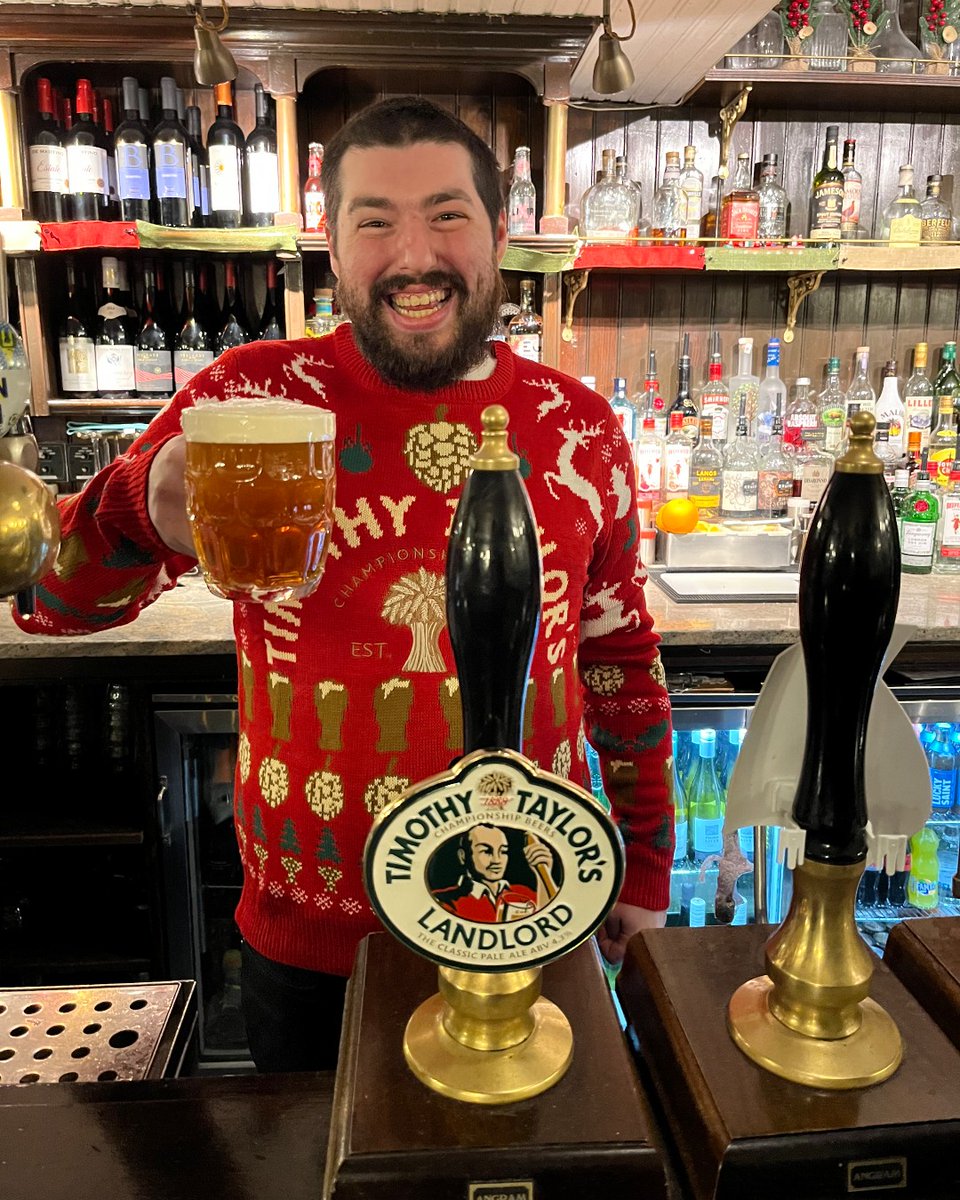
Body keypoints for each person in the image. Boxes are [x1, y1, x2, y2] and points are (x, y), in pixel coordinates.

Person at [14, 97, 673, 1072]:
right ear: (333, 246)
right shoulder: (243, 397)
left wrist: (646, 862)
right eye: (375, 221)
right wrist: (132, 513)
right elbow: (53, 609)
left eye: (448, 213)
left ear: (501, 233)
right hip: (315, 948)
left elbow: (617, 660)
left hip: (531, 903)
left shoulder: (575, 423)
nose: (415, 252)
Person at [432, 824, 556, 922]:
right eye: (486, 851)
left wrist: (543, 872)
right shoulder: (444, 901)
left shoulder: (525, 894)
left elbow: (553, 921)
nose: (497, 860)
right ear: (463, 856)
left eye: (503, 852)